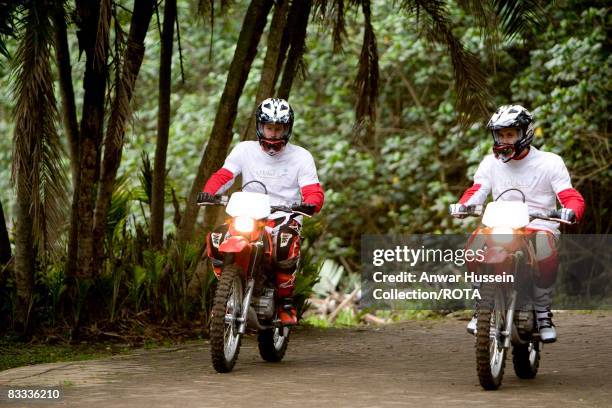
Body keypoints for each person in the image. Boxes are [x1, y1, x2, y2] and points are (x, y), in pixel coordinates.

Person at [450, 104, 585, 343]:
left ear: (525, 133)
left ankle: (543, 312)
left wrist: (571, 211)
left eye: (510, 134)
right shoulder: (490, 163)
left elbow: (569, 195)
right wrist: (463, 205)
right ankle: (482, 306)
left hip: (539, 224)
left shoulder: (550, 162)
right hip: (500, 223)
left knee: (544, 250)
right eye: (500, 134)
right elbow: (477, 190)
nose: (504, 139)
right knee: (472, 250)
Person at [197, 98, 324, 325]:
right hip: (249, 213)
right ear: (260, 126)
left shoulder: (301, 156)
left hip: (284, 216)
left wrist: (311, 203)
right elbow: (224, 175)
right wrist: (208, 192)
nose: (273, 134)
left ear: (287, 129)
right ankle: (224, 294)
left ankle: (285, 304)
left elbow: (312, 190)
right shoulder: (244, 150)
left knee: (284, 244)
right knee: (217, 238)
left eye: (279, 128)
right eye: (269, 127)